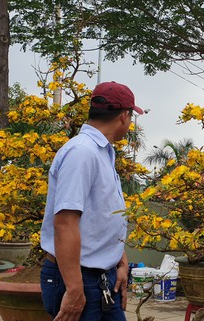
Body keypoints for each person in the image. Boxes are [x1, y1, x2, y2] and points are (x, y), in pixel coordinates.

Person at [40, 81, 145, 321]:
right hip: (80, 278)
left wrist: (119, 260)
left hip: (102, 276)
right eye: (131, 117)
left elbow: (99, 218)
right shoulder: (82, 153)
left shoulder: (102, 152)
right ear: (123, 116)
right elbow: (65, 223)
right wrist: (75, 289)